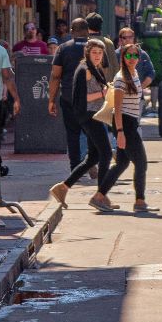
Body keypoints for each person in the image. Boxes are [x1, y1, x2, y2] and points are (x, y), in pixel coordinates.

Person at [94, 29, 155, 214]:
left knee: (121, 163)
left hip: (131, 123)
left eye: (136, 55)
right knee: (142, 163)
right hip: (125, 124)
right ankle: (140, 201)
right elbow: (118, 109)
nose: (132, 58)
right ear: (123, 56)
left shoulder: (135, 73)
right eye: (129, 55)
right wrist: (120, 132)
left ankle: (99, 197)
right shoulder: (121, 78)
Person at [48, 38, 114, 206]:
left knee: (92, 157)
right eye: (94, 53)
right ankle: (100, 196)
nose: (98, 56)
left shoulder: (94, 68)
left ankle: (62, 188)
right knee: (105, 153)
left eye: (100, 53)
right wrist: (103, 93)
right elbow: (84, 98)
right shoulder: (85, 70)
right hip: (90, 116)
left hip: (93, 115)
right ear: (87, 53)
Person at [46, 16, 93, 172]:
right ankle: (91, 161)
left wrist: (51, 100)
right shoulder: (96, 48)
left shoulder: (63, 48)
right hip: (92, 99)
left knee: (73, 134)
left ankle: (75, 168)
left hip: (69, 97)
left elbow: (55, 76)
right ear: (88, 31)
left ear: (72, 32)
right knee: (93, 132)